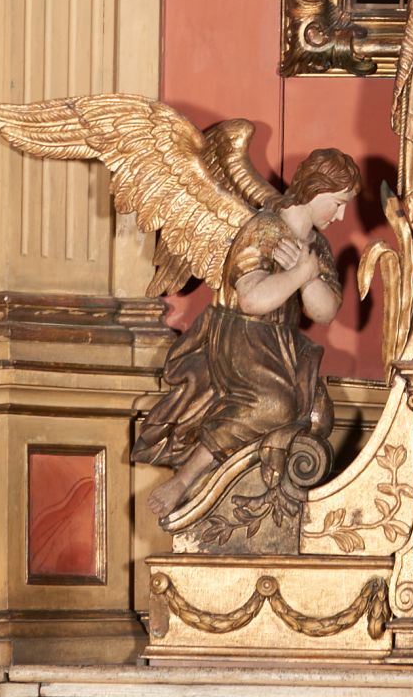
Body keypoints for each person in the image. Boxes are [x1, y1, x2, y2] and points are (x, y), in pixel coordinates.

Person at [138, 152, 367, 553]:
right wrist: (301, 273)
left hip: (283, 341)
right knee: (273, 404)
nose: (342, 215)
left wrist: (307, 277)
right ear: (317, 190)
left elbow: (325, 310)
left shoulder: (316, 244)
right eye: (338, 202)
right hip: (241, 335)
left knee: (319, 417)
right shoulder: (264, 229)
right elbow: (252, 299)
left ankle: (272, 446)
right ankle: (184, 480)